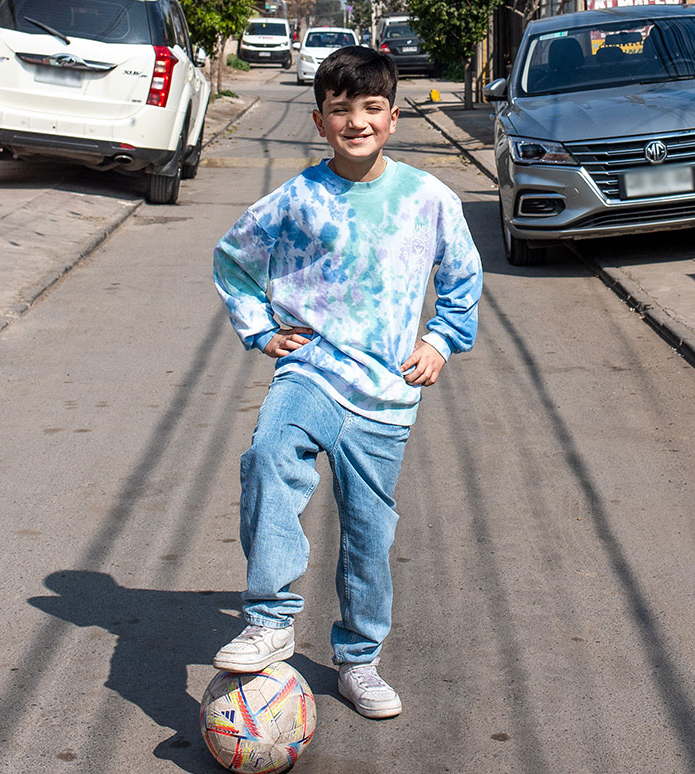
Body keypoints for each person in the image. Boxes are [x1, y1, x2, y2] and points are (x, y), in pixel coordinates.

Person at [211, 46, 482, 719]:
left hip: (388, 393)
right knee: (269, 455)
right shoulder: (297, 199)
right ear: (319, 119)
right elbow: (233, 257)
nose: (355, 121)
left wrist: (441, 340)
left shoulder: (427, 198)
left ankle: (359, 660)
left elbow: (463, 278)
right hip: (311, 371)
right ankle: (270, 618)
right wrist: (261, 330)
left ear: (392, 117)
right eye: (340, 110)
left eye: (370, 108)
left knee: (368, 534)